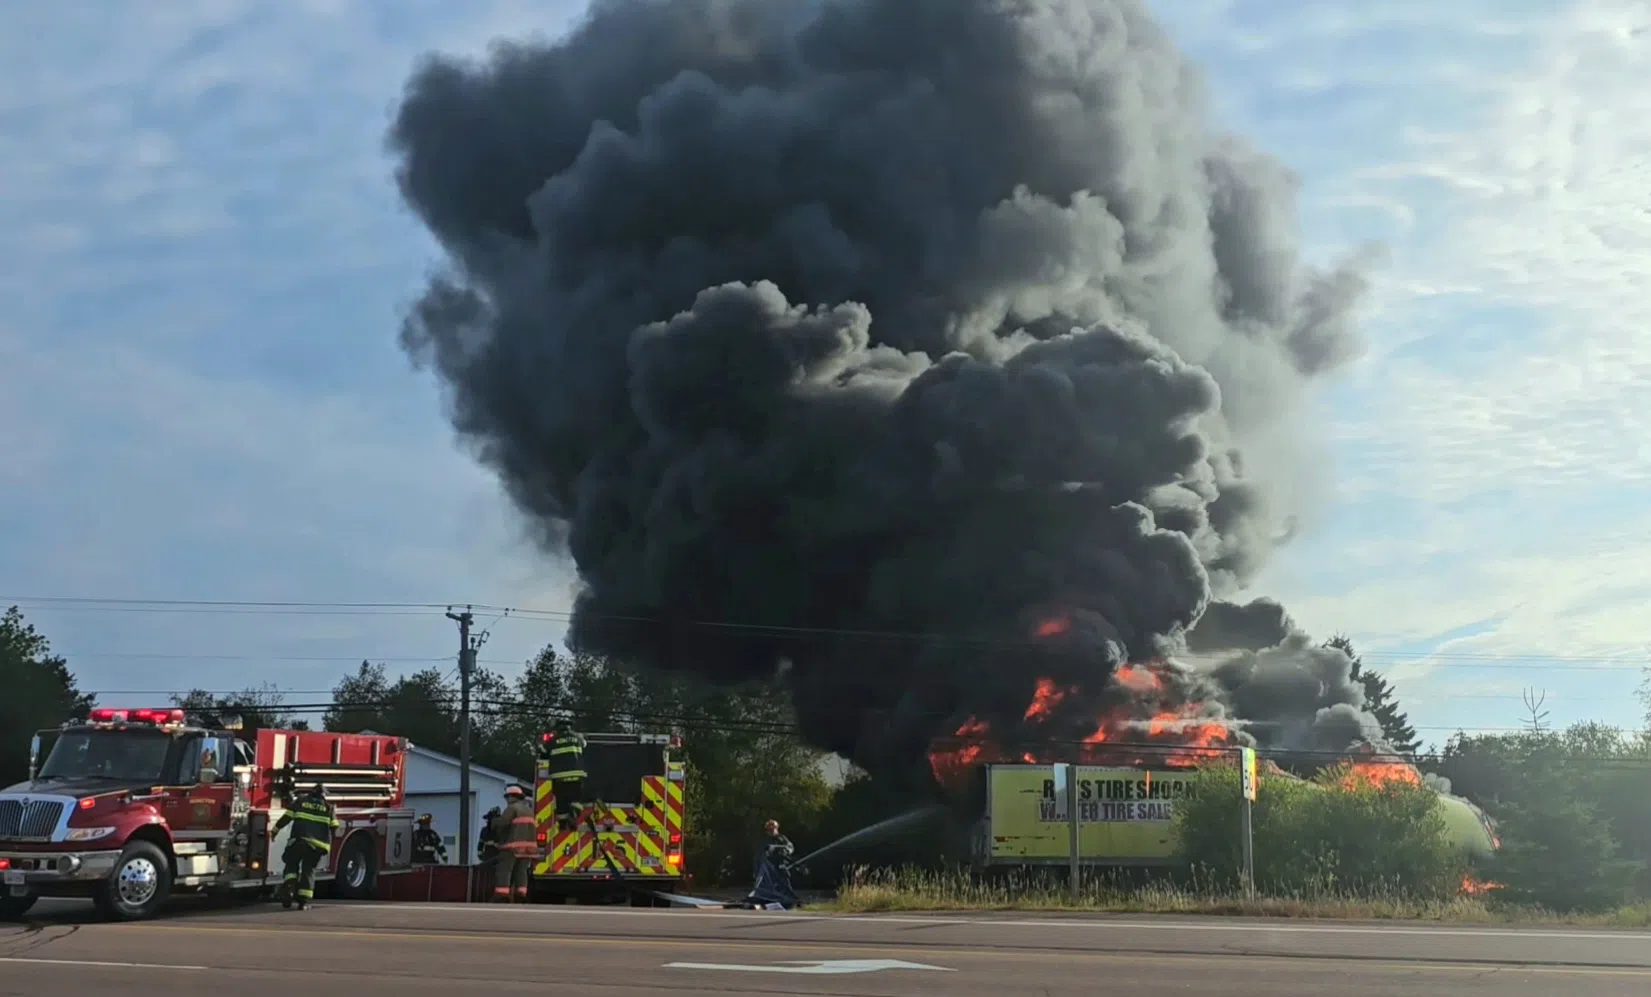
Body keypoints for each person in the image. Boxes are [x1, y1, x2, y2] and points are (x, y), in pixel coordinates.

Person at [273, 786, 338, 910]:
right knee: (309, 870)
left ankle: (289, 888)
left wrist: (275, 830)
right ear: (323, 795)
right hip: (316, 846)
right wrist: (330, 842)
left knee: (291, 864)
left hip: (298, 841)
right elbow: (335, 826)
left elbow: (286, 817)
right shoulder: (328, 807)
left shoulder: (301, 801)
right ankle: (303, 902)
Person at [489, 784, 538, 903]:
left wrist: (493, 821)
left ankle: (501, 895)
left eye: (507, 797)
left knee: (504, 870)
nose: (506, 800)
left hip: (512, 847)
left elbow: (503, 823)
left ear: (511, 797)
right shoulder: (528, 810)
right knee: (521, 871)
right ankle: (521, 894)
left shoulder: (512, 808)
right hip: (528, 849)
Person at [743, 818, 798, 909]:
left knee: (784, 882)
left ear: (777, 829)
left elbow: (790, 847)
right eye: (769, 830)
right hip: (767, 869)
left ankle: (789, 900)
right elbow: (759, 856)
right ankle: (765, 899)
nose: (772, 831)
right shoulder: (764, 841)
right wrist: (757, 870)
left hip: (780, 866)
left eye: (773, 829)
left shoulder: (782, 838)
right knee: (765, 885)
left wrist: (783, 850)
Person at [543, 722, 588, 829]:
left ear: (558, 729)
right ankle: (574, 814)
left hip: (560, 779)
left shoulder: (553, 740)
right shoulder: (577, 738)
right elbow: (585, 745)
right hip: (576, 776)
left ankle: (563, 823)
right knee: (577, 799)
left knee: (561, 801)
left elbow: (543, 750)